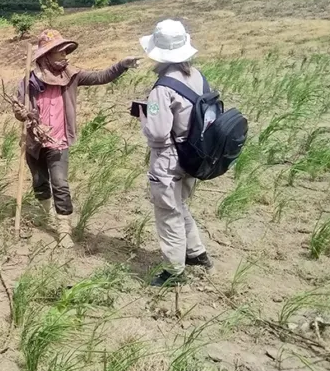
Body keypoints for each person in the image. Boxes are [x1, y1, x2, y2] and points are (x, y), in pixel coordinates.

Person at [14, 29, 139, 248]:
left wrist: (122, 65)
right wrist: (21, 113)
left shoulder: (71, 76)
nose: (65, 56)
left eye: (65, 51)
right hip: (34, 140)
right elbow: (19, 108)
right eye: (59, 52)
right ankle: (46, 214)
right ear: (46, 55)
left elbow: (101, 77)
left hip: (59, 140)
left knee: (60, 183)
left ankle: (64, 229)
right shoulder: (29, 81)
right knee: (39, 181)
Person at [138, 19, 213, 286]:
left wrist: (143, 119)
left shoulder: (162, 88)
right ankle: (196, 253)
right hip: (194, 153)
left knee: (168, 212)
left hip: (169, 160)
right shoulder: (198, 77)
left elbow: (158, 134)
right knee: (180, 206)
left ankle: (174, 270)